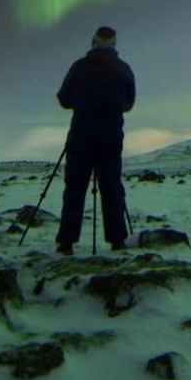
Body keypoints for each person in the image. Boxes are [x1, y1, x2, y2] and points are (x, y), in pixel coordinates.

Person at [54, 25, 135, 255]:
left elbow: (64, 98)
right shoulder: (123, 69)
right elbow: (129, 103)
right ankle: (117, 240)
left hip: (81, 135)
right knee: (111, 186)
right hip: (110, 137)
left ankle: (66, 242)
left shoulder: (79, 67)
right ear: (114, 44)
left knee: (75, 187)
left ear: (93, 42)